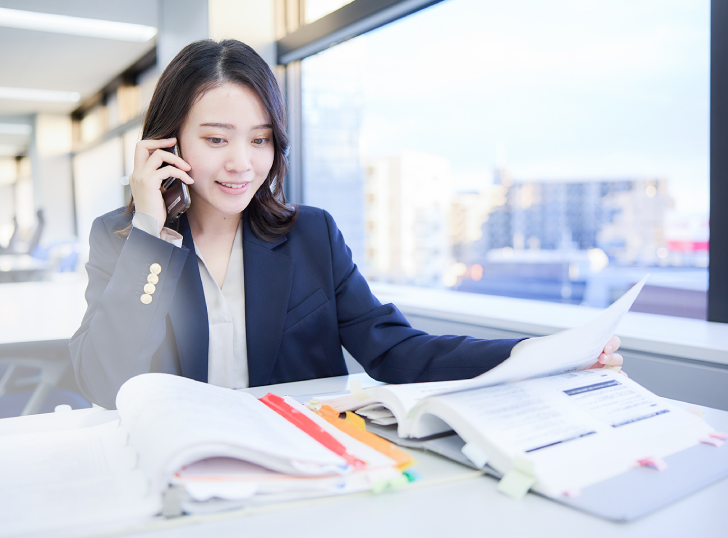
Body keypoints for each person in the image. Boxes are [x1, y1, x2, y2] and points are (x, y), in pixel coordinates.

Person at [69, 40, 622, 410]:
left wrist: (538, 355)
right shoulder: (124, 239)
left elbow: (396, 351)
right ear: (169, 142)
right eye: (216, 139)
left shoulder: (311, 236)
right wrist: (150, 229)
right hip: (180, 474)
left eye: (260, 138)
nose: (242, 162)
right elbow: (104, 381)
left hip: (302, 464)